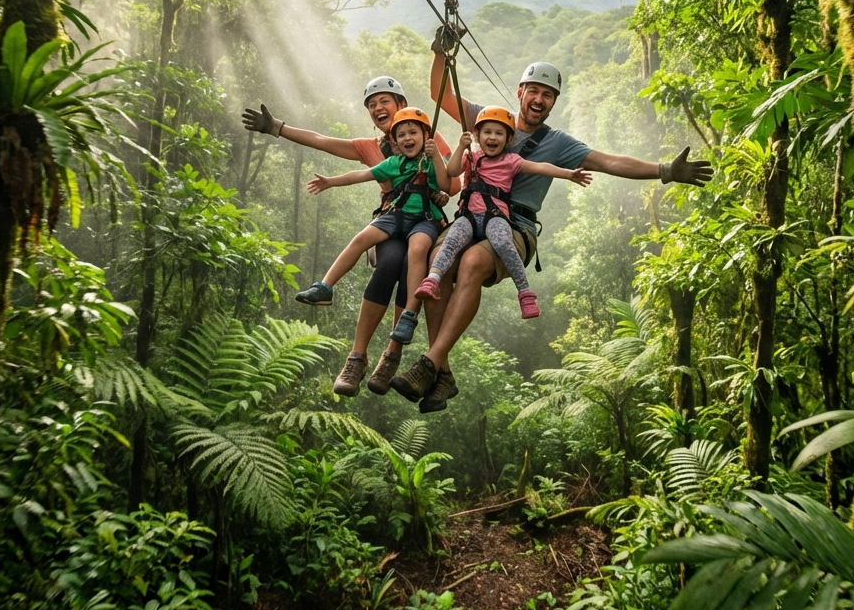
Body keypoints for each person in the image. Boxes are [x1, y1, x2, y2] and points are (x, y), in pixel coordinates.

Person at [388, 35, 715, 409]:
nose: (539, 100)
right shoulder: (489, 118)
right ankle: (442, 371)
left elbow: (609, 162)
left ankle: (429, 363)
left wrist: (665, 170)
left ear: (553, 103)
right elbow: (440, 93)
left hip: (515, 226)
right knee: (438, 260)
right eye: (534, 91)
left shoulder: (557, 143)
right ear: (520, 92)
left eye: (547, 95)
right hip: (472, 215)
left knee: (473, 262)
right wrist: (439, 53)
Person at [241, 79, 459, 399]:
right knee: (389, 262)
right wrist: (277, 128)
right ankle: (357, 358)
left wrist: (441, 191)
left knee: (409, 265)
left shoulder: (426, 134)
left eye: (384, 101)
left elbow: (452, 181)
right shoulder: (373, 148)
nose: (378, 108)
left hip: (424, 221)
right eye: (372, 105)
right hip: (392, 218)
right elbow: (322, 141)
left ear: (401, 104)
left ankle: (391, 356)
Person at [388, 107, 591, 349]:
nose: (492, 138)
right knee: (451, 241)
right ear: (477, 135)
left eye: (498, 133)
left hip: (495, 216)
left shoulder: (511, 161)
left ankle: (525, 293)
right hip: (468, 216)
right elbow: (452, 172)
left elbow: (540, 167)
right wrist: (461, 147)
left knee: (504, 243)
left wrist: (568, 174)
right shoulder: (471, 157)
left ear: (508, 139)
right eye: (487, 132)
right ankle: (433, 279)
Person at [296, 107, 451, 308]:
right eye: (401, 135)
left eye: (413, 133)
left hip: (425, 218)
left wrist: (436, 155)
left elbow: (446, 183)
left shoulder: (432, 162)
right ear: (395, 142)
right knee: (361, 239)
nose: (407, 138)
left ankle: (409, 312)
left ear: (425, 136)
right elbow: (362, 174)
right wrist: (331, 181)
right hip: (396, 214)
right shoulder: (394, 163)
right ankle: (325, 287)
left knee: (417, 249)